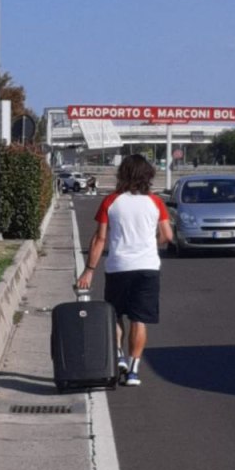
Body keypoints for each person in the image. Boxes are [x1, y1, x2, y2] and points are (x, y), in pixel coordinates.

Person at [76, 154, 173, 387]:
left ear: (122, 174)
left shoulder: (111, 201)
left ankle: (118, 354)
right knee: (139, 320)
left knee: (115, 314)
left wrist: (89, 270)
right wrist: (150, 244)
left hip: (118, 267)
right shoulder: (156, 202)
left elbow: (100, 239)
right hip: (148, 267)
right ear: (148, 175)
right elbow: (167, 235)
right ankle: (133, 371)